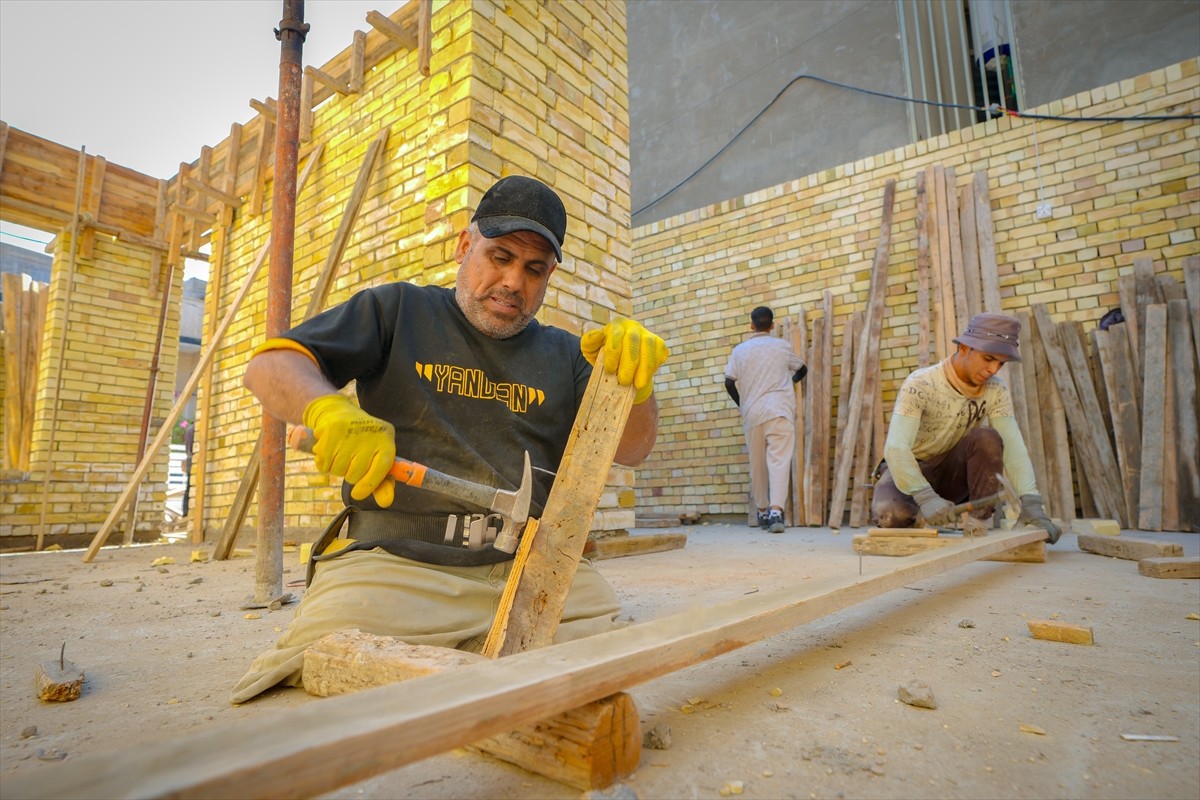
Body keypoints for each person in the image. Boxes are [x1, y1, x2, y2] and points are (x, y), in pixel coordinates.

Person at [229, 175, 669, 704]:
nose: (512, 281)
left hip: (533, 564)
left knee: (607, 671)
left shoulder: (569, 354)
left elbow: (633, 450)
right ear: (465, 246)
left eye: (534, 269)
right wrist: (326, 409)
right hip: (397, 562)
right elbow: (270, 365)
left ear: (550, 275)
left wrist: (633, 387)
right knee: (323, 658)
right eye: (499, 256)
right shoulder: (397, 312)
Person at [870, 312, 1061, 542]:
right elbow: (896, 448)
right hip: (912, 470)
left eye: (1000, 363)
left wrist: (1032, 502)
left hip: (952, 474)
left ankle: (978, 522)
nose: (994, 369)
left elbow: (1013, 446)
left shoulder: (996, 390)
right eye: (988, 358)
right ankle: (918, 513)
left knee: (987, 438)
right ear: (963, 349)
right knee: (892, 516)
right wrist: (924, 496)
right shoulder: (920, 383)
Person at [723, 306, 806, 533]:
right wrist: (790, 383)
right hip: (779, 410)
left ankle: (761, 511)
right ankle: (776, 512)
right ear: (772, 325)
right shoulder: (782, 346)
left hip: (754, 412)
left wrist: (743, 404)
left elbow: (729, 382)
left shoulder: (740, 351)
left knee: (757, 463)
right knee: (779, 460)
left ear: (751, 325)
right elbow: (802, 368)